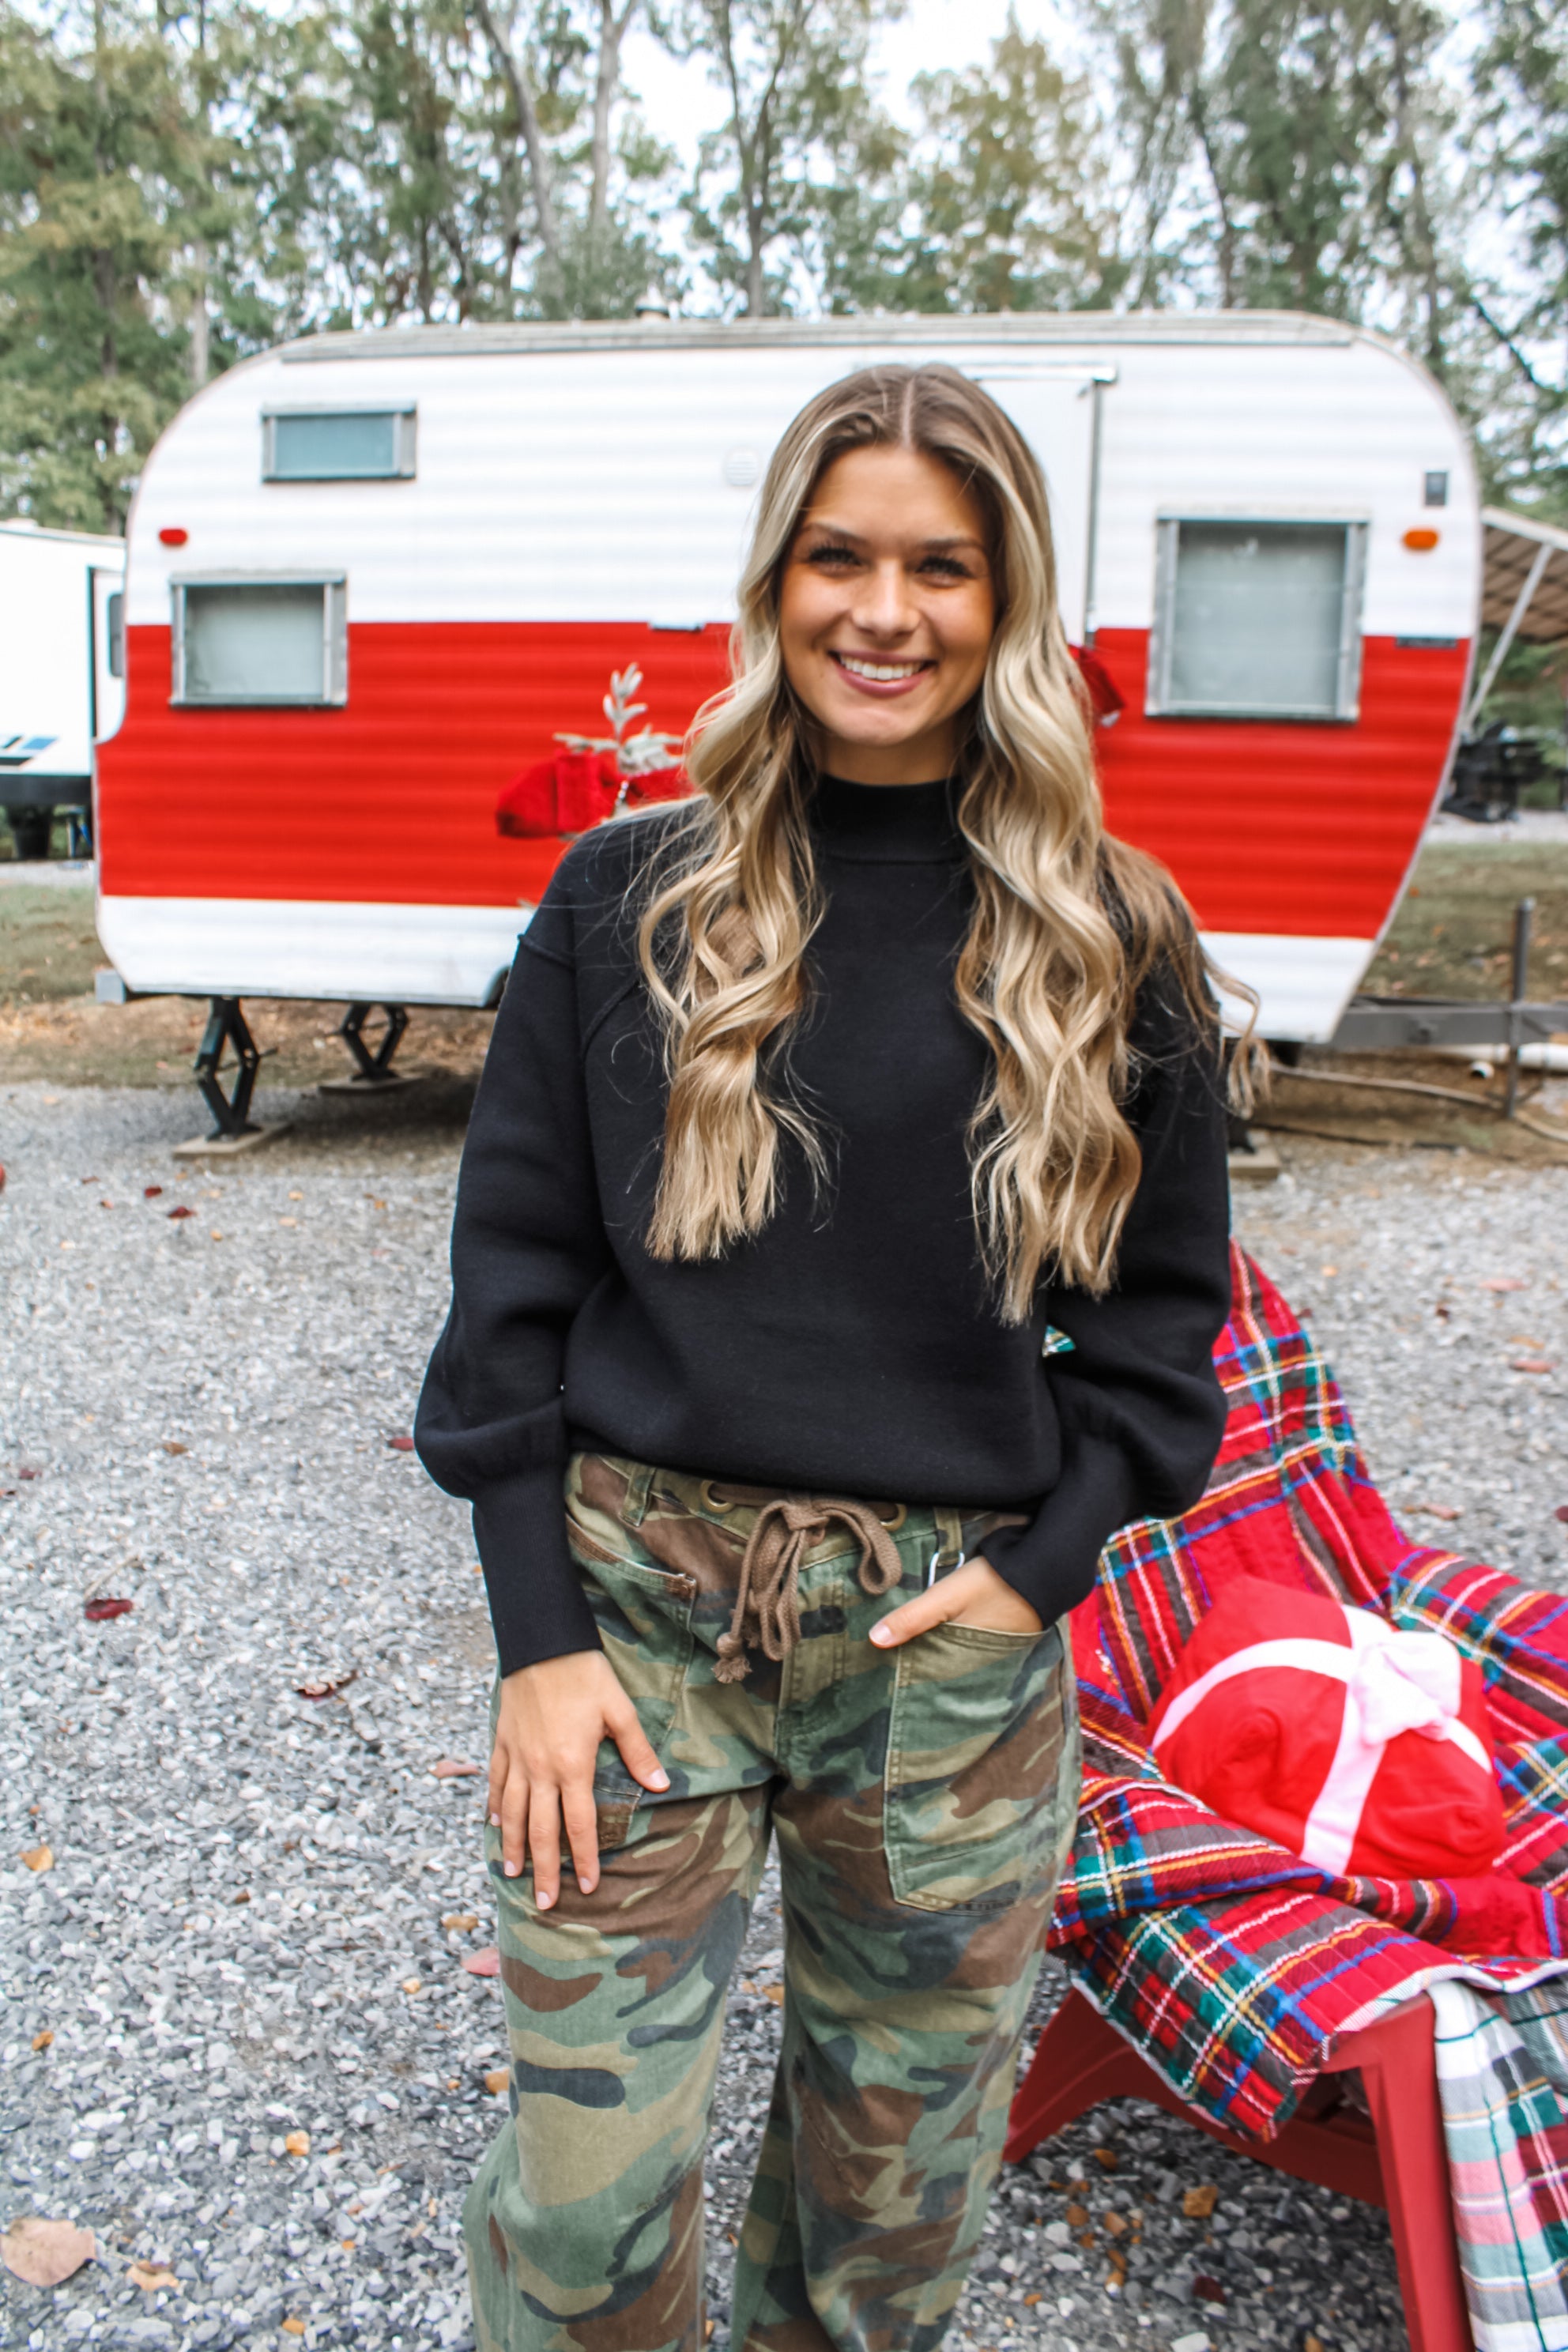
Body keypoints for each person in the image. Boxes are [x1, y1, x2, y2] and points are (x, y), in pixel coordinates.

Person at [416, 362, 1238, 2352]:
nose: (882, 612)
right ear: (772, 581)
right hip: (634, 1630)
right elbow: (512, 1284)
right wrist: (534, 1640)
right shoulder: (626, 900)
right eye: (835, 557)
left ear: (1006, 598)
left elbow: (1145, 1324)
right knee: (586, 2224)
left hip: (946, 1662)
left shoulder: (1109, 937)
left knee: (883, 2236)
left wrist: (1037, 1568)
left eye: (938, 567)